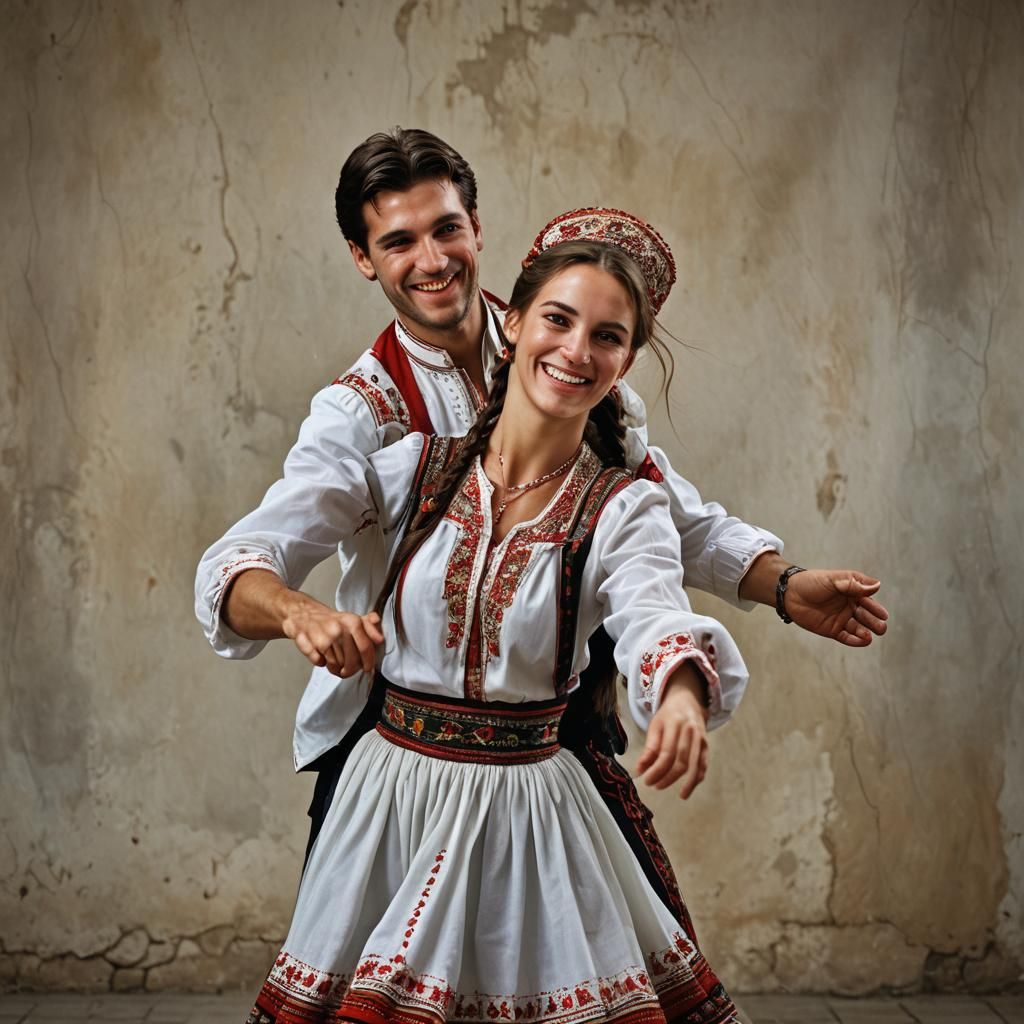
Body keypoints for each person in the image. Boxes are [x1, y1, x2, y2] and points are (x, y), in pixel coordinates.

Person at [195, 129, 887, 934]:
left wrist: (781, 584)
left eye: (446, 228)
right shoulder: (368, 419)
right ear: (362, 257)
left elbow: (659, 524)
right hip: (392, 738)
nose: (432, 259)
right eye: (398, 241)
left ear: (477, 228)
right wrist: (300, 613)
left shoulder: (575, 356)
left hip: (546, 738)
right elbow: (246, 556)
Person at [245, 213, 748, 1024]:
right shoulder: (409, 469)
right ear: (511, 323)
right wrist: (298, 612)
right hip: (388, 803)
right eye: (558, 318)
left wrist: (683, 691)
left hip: (531, 815)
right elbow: (245, 560)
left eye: (608, 336)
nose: (578, 351)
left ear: (625, 363)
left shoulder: (624, 508)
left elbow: (656, 611)